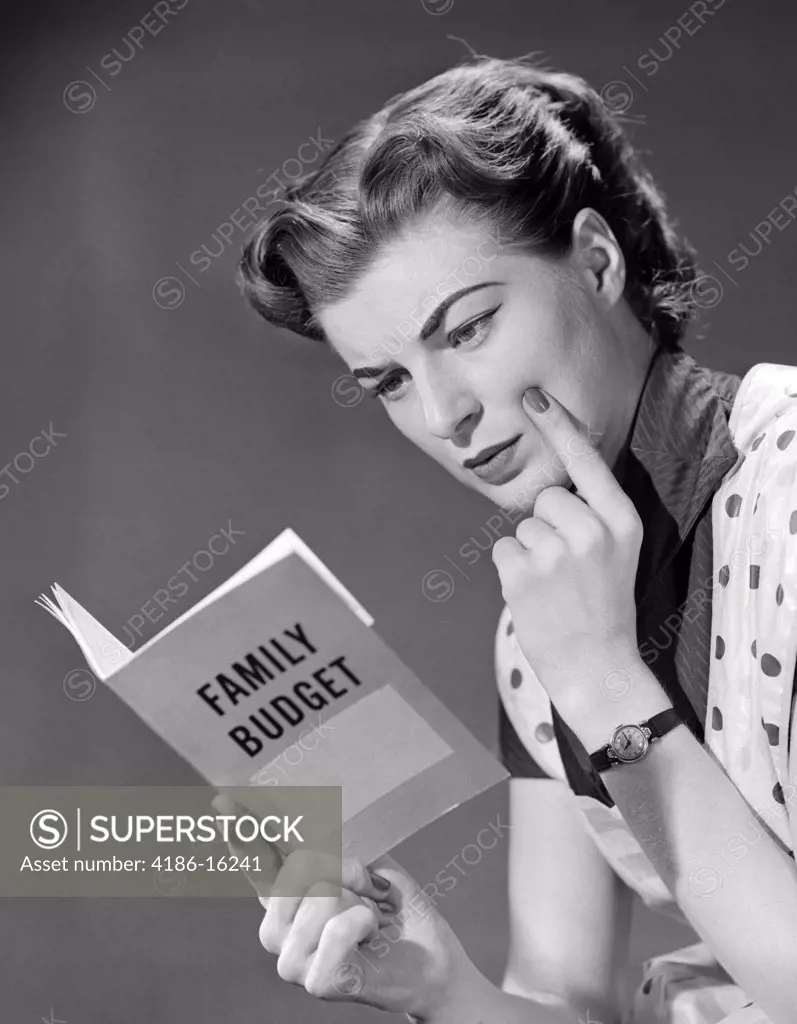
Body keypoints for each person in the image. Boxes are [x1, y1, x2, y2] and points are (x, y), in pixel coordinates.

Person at [231, 55, 797, 1024]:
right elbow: (566, 999)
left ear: (594, 259)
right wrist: (441, 987)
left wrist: (607, 687)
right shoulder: (540, 620)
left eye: (466, 329)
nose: (445, 412)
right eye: (390, 382)